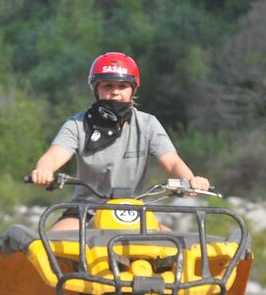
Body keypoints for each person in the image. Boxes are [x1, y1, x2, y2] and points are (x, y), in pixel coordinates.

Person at [30, 51, 210, 230]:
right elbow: (54, 155)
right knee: (54, 245)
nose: (115, 92)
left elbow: (172, 162)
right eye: (107, 85)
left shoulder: (147, 124)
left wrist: (191, 180)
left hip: (132, 212)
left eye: (122, 86)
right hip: (84, 211)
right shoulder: (77, 124)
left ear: (133, 89)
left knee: (176, 248)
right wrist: (43, 170)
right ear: (96, 88)